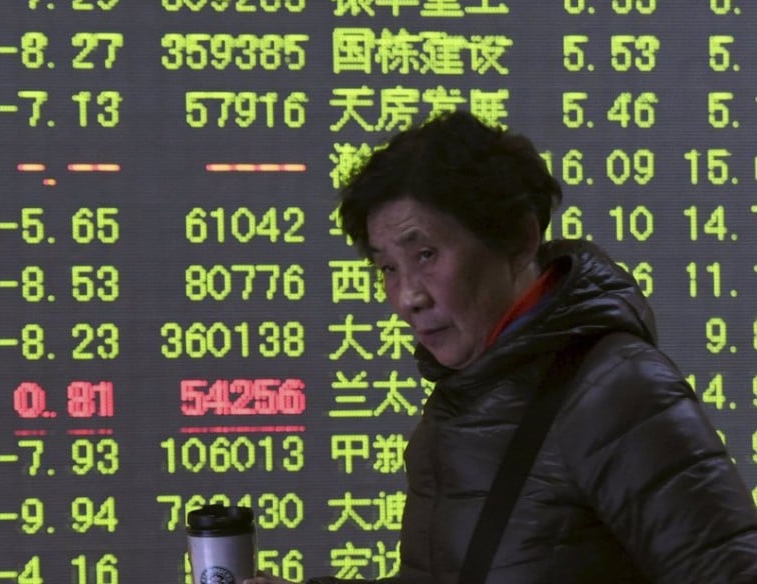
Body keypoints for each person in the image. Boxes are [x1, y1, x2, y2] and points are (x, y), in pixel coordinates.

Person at [245, 110, 757, 583]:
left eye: (425, 254)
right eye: (388, 269)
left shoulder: (618, 392)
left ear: (519, 238)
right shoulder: (464, 399)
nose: (408, 298)